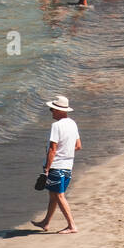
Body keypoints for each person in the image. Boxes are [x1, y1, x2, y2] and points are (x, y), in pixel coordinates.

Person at [32, 95, 81, 234]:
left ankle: (72, 225)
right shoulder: (73, 123)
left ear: (59, 111)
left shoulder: (56, 126)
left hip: (57, 166)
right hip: (68, 165)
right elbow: (78, 146)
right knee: (53, 195)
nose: (51, 111)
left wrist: (46, 169)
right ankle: (46, 222)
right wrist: (65, 151)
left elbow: (53, 149)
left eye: (52, 109)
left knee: (59, 195)